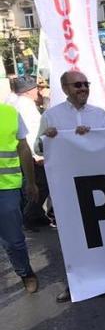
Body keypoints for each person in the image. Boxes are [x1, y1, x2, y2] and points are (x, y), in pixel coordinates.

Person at [37, 70, 105, 302]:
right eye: (77, 85)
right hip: (67, 187)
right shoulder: (51, 116)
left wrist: (94, 137)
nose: (83, 88)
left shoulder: (100, 115)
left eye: (85, 84)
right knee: (73, 236)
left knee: (104, 233)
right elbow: (39, 148)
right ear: (65, 88)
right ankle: (76, 283)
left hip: (99, 183)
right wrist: (46, 138)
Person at [0, 102, 39, 294]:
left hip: (5, 187)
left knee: (13, 240)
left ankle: (25, 273)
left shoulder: (9, 113)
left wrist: (31, 181)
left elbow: (23, 147)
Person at [7, 78, 49, 231]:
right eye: (36, 89)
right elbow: (30, 131)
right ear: (29, 91)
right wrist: (37, 155)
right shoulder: (26, 105)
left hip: (16, 153)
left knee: (33, 184)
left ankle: (36, 214)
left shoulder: (13, 103)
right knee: (41, 184)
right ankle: (31, 215)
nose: (38, 91)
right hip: (29, 152)